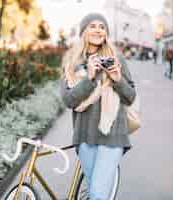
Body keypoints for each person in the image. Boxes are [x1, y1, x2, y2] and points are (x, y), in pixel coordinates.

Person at [60, 13, 136, 200]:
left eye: (102, 27)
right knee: (92, 189)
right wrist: (89, 78)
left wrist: (118, 80)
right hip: (85, 136)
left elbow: (130, 97)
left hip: (113, 135)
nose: (97, 30)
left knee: (97, 194)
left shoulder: (116, 58)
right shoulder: (72, 62)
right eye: (92, 26)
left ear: (106, 33)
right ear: (84, 31)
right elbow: (69, 100)